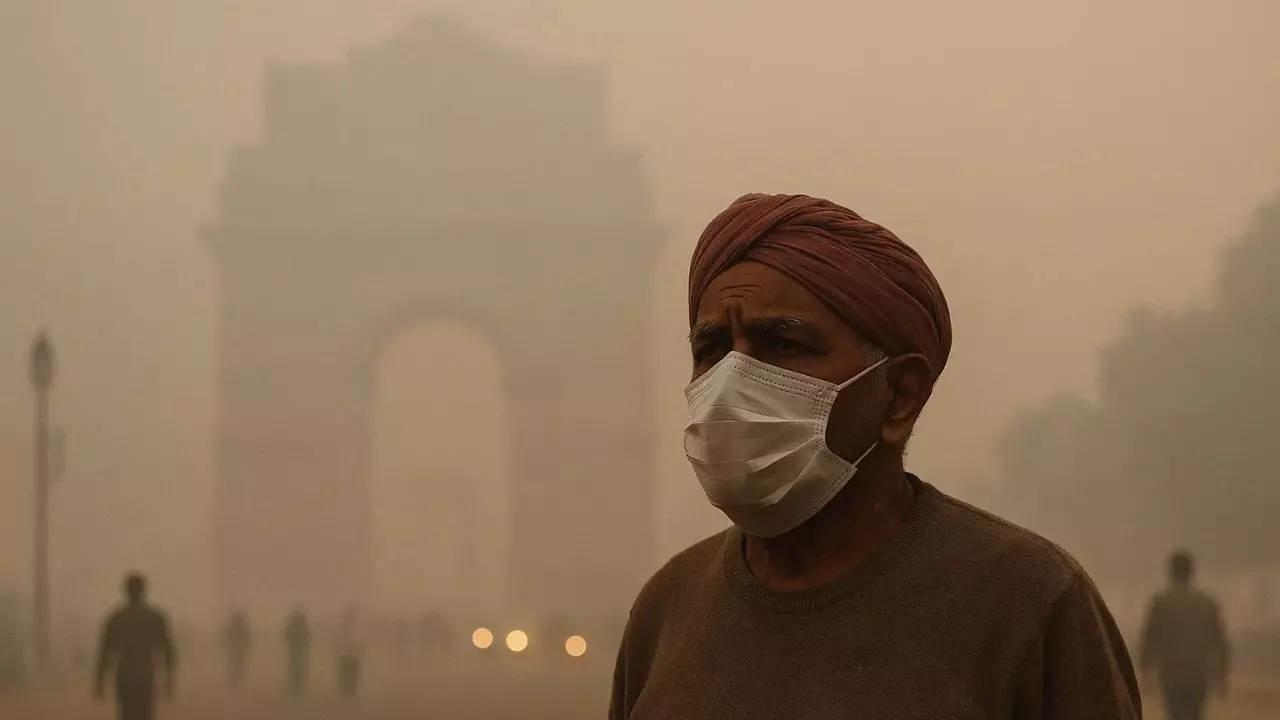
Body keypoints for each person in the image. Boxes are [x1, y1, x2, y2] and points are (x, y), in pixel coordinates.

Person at [610, 194, 1141, 719]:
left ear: (899, 396)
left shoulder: (1029, 603)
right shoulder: (665, 611)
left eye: (783, 345)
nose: (731, 384)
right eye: (711, 350)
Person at [1139, 550, 1230, 720]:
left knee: (1175, 714)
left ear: (1171, 572)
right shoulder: (1207, 603)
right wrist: (1221, 675)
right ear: (1191, 572)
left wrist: (1146, 670)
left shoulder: (1161, 603)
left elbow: (1149, 638)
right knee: (1195, 714)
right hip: (1198, 674)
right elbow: (1220, 641)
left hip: (1171, 673)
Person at [95, 573, 176, 720]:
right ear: (144, 591)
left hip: (125, 674)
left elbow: (105, 653)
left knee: (126, 714)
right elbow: (168, 651)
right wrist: (170, 681)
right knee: (145, 713)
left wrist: (99, 681)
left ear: (126, 591)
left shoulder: (117, 618)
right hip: (145, 673)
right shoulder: (154, 618)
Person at [283, 606, 311, 695]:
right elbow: (309, 637)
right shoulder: (302, 625)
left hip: (296, 649)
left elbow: (286, 635)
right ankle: (298, 686)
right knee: (298, 668)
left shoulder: (294, 625)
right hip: (298, 649)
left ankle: (296, 686)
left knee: (296, 668)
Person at [221, 609, 251, 689]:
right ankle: (237, 681)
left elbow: (226, 637)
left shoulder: (233, 627)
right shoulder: (240, 628)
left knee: (235, 665)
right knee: (238, 665)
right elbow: (247, 639)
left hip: (235, 649)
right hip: (237, 650)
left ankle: (235, 681)